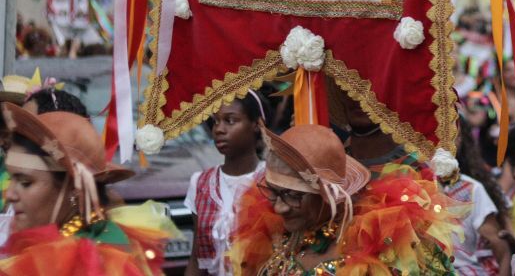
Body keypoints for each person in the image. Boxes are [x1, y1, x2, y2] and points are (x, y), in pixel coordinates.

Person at [229, 124, 462, 274]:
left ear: (330, 195)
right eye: (273, 191)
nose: (279, 208)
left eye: (292, 195)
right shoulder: (274, 236)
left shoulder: (387, 242)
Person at [0, 102, 180, 274]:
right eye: (11, 179)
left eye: (25, 183)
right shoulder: (43, 245)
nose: (10, 194)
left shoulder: (94, 260)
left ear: (73, 189)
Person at [185, 90, 271, 276]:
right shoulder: (200, 183)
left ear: (256, 125)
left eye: (230, 121)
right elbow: (197, 256)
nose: (219, 129)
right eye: (216, 121)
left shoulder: (271, 179)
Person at [441, 116, 512, 275]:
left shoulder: (471, 189)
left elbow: (503, 250)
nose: (445, 142)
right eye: (438, 133)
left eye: (453, 135)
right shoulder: (412, 187)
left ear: (460, 142)